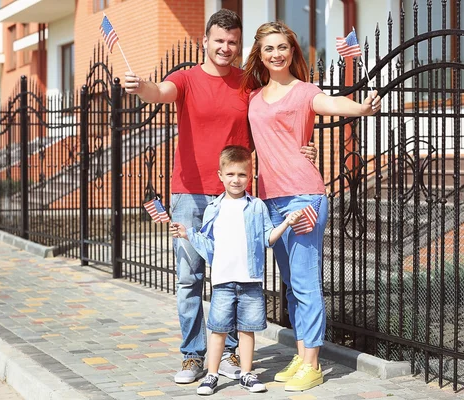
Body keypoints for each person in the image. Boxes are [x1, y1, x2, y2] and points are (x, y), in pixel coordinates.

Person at [123, 10, 316, 384]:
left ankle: (228, 354)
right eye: (219, 41)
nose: (226, 48)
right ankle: (193, 356)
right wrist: (139, 86)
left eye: (232, 42)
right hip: (191, 193)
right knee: (190, 277)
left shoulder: (248, 85)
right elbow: (158, 92)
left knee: (239, 277)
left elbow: (280, 117)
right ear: (205, 43)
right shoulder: (186, 78)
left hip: (238, 197)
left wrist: (303, 149)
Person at [240, 21, 381, 392]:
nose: (276, 54)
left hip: (303, 195)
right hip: (270, 199)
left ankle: (313, 364)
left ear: (292, 52)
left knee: (305, 284)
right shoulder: (253, 97)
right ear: (260, 53)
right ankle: (302, 356)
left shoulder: (305, 91)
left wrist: (362, 108)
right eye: (269, 48)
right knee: (290, 286)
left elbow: (331, 103)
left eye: (282, 47)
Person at [170, 145, 302, 395]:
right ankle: (211, 375)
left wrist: (285, 223)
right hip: (222, 281)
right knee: (218, 329)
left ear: (250, 176)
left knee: (247, 330)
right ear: (220, 175)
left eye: (241, 174)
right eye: (230, 174)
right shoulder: (214, 208)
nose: (236, 180)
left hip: (250, 280)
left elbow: (267, 238)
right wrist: (187, 234)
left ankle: (247, 373)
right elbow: (209, 245)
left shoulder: (257, 207)